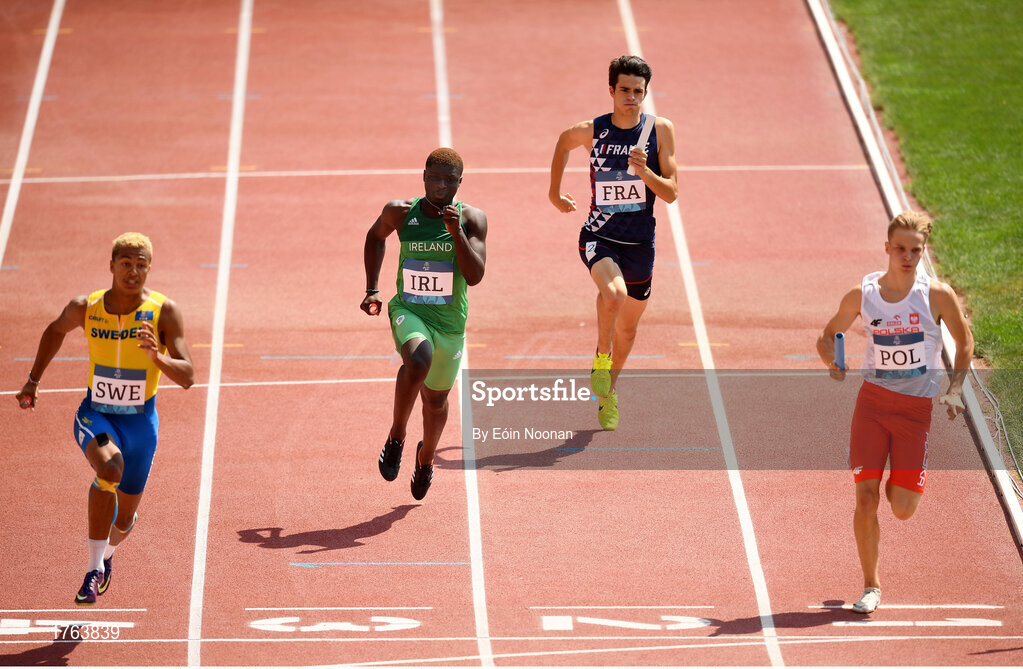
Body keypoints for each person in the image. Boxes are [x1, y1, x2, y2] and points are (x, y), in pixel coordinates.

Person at [16, 232, 195, 606]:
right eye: (126, 264)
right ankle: (93, 569)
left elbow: (188, 376)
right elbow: (54, 331)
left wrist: (157, 357)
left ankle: (108, 556)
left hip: (141, 425)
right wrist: (33, 380)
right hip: (97, 415)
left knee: (126, 518)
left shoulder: (164, 311)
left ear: (149, 269)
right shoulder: (86, 306)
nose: (133, 272)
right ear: (111, 265)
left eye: (141, 265)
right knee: (109, 469)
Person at [817, 211, 973, 614]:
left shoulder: (936, 295)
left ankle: (899, 481)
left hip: (915, 412)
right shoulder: (863, 294)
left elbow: (965, 341)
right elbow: (828, 334)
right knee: (865, 501)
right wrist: (834, 361)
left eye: (915, 251)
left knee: (901, 508)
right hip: (872, 404)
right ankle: (871, 585)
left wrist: (955, 388)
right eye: (900, 249)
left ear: (923, 252)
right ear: (887, 248)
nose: (907, 257)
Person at [549, 55, 678, 431]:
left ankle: (608, 394)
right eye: (624, 90)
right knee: (614, 294)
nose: (631, 98)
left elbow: (670, 193)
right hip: (599, 236)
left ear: (646, 93)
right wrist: (554, 194)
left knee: (629, 330)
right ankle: (600, 357)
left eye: (639, 92)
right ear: (611, 90)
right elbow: (562, 143)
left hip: (641, 245)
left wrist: (646, 171)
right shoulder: (594, 130)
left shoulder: (660, 130)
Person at [362, 148, 487, 501]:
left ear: (460, 183)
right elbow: (375, 237)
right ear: (424, 177)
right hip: (410, 309)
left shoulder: (472, 219)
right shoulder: (401, 211)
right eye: (435, 178)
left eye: (450, 180)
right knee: (417, 360)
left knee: (435, 402)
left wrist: (455, 232)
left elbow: (475, 276)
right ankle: (396, 436)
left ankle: (426, 459)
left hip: (449, 323)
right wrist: (373, 288)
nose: (441, 186)